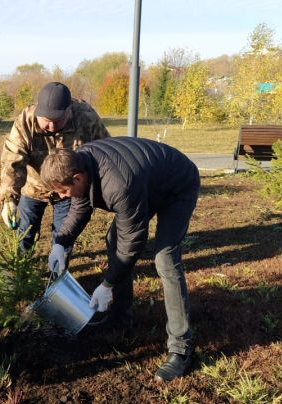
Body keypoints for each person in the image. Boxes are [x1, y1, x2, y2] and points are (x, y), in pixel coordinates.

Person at [40, 137, 200, 383]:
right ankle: (120, 318)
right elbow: (80, 206)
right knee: (113, 240)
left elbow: (133, 241)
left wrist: (108, 284)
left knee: (165, 259)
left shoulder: (118, 185)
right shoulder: (80, 163)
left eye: (62, 191)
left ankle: (181, 349)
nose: (61, 197)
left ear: (77, 179)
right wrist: (61, 242)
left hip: (177, 185)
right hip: (147, 181)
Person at [0, 82, 110, 253]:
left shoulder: (86, 117)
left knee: (63, 235)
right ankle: (20, 272)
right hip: (33, 187)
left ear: (68, 111)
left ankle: (57, 273)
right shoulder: (26, 121)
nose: (51, 126)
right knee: (25, 232)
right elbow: (12, 160)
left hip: (67, 190)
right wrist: (9, 198)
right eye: (46, 121)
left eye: (57, 121)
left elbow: (105, 151)